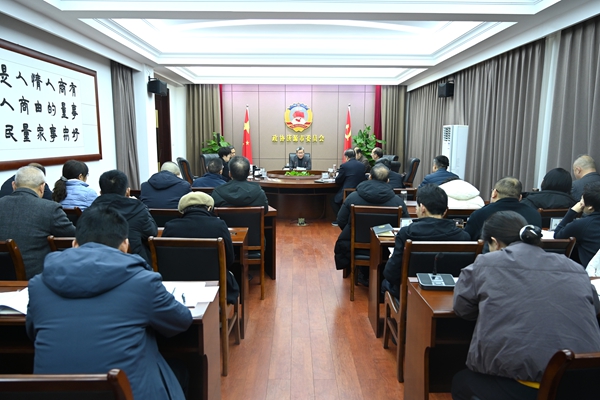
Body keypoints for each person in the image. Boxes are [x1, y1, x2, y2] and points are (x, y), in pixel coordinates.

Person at [26, 206, 192, 400]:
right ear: (125, 245)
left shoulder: (38, 284)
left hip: (53, 393)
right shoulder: (143, 282)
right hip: (125, 392)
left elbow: (31, 332)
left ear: (74, 244)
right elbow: (181, 320)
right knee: (180, 369)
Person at [452, 211, 600, 400]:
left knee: (460, 382)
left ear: (495, 242)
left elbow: (463, 309)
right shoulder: (574, 267)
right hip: (586, 383)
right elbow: (594, 308)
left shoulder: (485, 263)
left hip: (528, 385)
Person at [382, 184, 470, 298]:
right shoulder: (464, 237)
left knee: (385, 283)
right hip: (450, 294)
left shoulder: (406, 234)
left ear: (422, 208)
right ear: (445, 211)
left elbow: (391, 274)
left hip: (410, 294)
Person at [333, 164, 409, 283]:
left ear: (370, 177)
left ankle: (362, 273)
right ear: (388, 180)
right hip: (386, 249)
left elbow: (341, 220)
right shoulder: (398, 201)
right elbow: (405, 225)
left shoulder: (353, 197)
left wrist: (354, 233)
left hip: (357, 246)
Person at [162, 192, 239, 304]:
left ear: (182, 210)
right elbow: (229, 259)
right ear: (209, 208)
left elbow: (164, 260)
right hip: (215, 284)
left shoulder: (170, 227)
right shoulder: (219, 225)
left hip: (177, 286)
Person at [0, 166, 75, 278]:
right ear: (42, 187)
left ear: (14, 185)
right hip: (35, 278)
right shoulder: (49, 208)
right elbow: (75, 236)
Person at [88, 170, 157, 264]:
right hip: (134, 265)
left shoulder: (90, 211)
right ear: (128, 191)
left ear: (100, 192)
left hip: (98, 265)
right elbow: (153, 232)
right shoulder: (138, 210)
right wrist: (141, 205)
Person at [464, 177, 542, 241]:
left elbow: (469, 240)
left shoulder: (479, 214)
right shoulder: (534, 214)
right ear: (520, 197)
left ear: (494, 193)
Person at [554, 181, 600, 267]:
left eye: (582, 199)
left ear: (590, 207)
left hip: (592, 273)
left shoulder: (583, 225)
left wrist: (572, 211)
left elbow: (558, 236)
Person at [331, 149, 366, 226]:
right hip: (359, 191)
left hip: (347, 191)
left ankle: (340, 220)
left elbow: (338, 181)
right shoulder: (362, 165)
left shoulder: (344, 166)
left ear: (346, 157)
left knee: (334, 200)